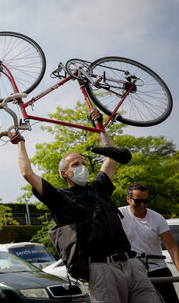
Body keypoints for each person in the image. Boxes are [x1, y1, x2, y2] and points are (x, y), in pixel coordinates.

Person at [14, 109, 160, 302]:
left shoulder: (98, 187)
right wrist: (20, 141)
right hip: (101, 269)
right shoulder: (58, 197)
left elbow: (113, 157)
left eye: (83, 162)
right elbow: (27, 173)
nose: (82, 166)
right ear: (65, 173)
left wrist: (100, 127)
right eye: (75, 164)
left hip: (132, 263)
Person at [119, 183, 179, 303]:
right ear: (128, 199)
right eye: (138, 201)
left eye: (146, 201)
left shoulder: (157, 218)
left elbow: (172, 247)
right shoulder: (118, 215)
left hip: (157, 268)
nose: (142, 204)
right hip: (130, 271)